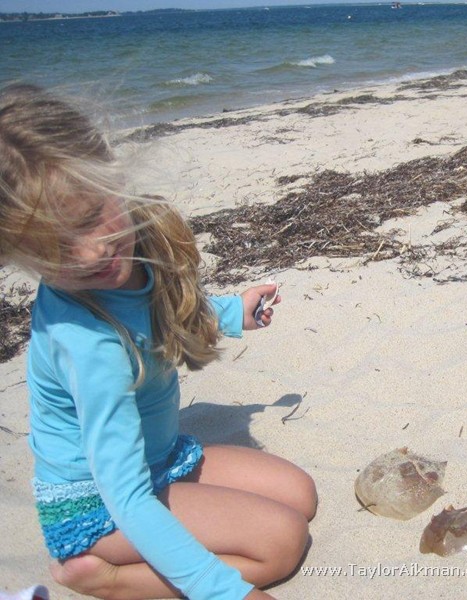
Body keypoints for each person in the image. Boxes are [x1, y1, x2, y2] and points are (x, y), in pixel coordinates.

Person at [0, 83, 317, 599]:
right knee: (281, 541)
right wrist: (220, 591)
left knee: (298, 494)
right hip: (97, 501)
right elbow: (125, 495)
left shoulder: (137, 246)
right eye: (54, 249)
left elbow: (158, 309)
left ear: (112, 176)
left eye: (89, 218)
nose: (89, 252)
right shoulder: (88, 344)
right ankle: (104, 576)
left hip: (160, 456)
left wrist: (230, 312)